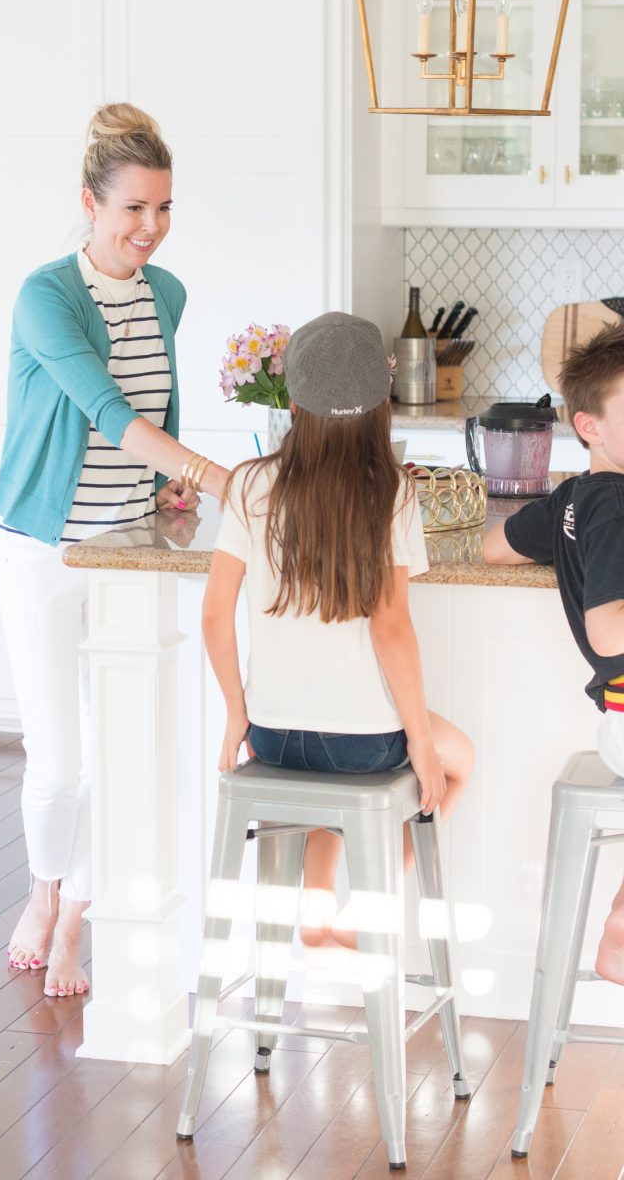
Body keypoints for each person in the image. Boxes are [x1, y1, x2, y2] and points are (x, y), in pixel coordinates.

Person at [0, 103, 228, 997]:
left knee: (120, 743)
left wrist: (172, 483)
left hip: (129, 551)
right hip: (44, 549)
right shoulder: (45, 296)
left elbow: (156, 413)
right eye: (133, 209)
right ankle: (43, 889)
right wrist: (218, 477)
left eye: (164, 209)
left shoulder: (165, 295)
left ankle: (75, 921)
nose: (151, 230)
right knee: (58, 760)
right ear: (89, 202)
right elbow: (106, 410)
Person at [202, 312, 473, 949]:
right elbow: (392, 628)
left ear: (291, 403)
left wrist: (236, 715)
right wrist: (421, 744)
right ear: (384, 407)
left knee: (323, 786)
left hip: (272, 738)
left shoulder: (247, 485)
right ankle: (364, 908)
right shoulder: (392, 494)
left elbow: (214, 614)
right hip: (366, 746)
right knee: (459, 762)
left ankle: (316, 908)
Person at [483, 322, 624, 985]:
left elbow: (494, 547)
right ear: (589, 426)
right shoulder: (618, 508)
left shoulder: (574, 498)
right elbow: (608, 631)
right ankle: (620, 932)